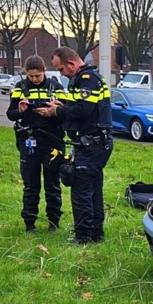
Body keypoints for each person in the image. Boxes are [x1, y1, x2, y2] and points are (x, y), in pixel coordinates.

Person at [49, 46, 112, 245]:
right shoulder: (85, 79)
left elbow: (83, 109)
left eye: (61, 69)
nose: (62, 74)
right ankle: (96, 234)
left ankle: (83, 237)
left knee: (81, 191)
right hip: (92, 143)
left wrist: (57, 112)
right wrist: (64, 106)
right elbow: (79, 106)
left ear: (71, 64)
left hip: (92, 144)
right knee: (93, 189)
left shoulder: (88, 80)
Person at [6, 55, 66, 233]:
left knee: (52, 184)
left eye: (37, 76)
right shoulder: (20, 88)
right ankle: (30, 223)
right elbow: (11, 114)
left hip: (52, 141)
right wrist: (20, 110)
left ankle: (53, 222)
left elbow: (67, 113)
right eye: (30, 76)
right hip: (29, 141)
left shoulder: (56, 87)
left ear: (44, 72)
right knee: (31, 185)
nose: (34, 79)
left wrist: (55, 110)